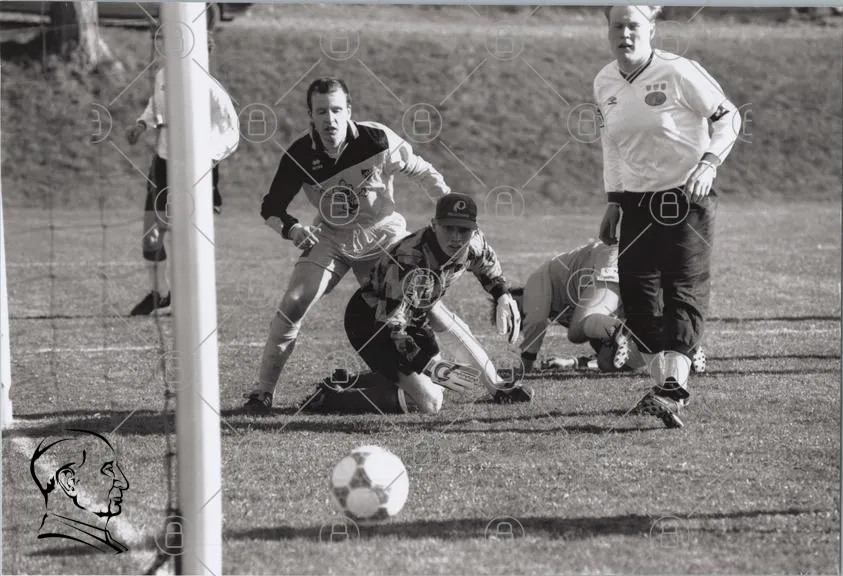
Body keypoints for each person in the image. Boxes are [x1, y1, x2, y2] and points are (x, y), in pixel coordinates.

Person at [242, 77, 463, 415]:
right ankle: (262, 393)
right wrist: (293, 229)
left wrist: (450, 215)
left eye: (336, 110)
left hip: (383, 234)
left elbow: (422, 171)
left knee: (424, 303)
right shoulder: (300, 154)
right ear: (310, 116)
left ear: (349, 111)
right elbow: (271, 206)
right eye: (321, 112)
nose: (329, 119)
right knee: (293, 302)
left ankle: (483, 380)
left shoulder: (377, 139)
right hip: (331, 237)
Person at [595, 6, 740, 428]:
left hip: (686, 198)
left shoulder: (678, 71)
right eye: (617, 26)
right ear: (608, 30)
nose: (625, 34)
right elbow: (611, 146)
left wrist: (709, 164)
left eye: (633, 26)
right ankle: (666, 388)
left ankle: (673, 388)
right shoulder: (604, 81)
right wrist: (614, 201)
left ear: (652, 30)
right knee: (637, 292)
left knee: (683, 288)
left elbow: (728, 117)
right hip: (637, 203)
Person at [303, 194, 524, 415]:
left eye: (463, 230)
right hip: (372, 325)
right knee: (431, 401)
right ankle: (330, 400)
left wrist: (502, 295)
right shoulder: (409, 261)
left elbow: (487, 263)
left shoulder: (474, 241)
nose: (456, 238)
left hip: (413, 316)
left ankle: (350, 380)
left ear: (474, 230)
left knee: (438, 382)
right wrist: (430, 367)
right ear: (434, 225)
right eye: (449, 228)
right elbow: (392, 328)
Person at [126, 33, 239, 316]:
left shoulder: (211, 90)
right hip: (163, 166)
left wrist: (208, 157)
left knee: (189, 239)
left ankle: (192, 301)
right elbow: (155, 106)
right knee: (151, 237)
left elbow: (232, 133)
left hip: (196, 171)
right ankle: (160, 294)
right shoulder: (163, 76)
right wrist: (142, 125)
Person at [508, 241, 706, 374]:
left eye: (513, 311)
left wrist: (525, 366)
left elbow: (535, 320)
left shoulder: (535, 282)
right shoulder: (560, 310)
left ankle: (626, 330)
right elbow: (604, 344)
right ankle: (681, 344)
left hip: (612, 257)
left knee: (576, 333)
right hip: (632, 262)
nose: (519, 318)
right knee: (608, 361)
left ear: (515, 295)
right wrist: (574, 362)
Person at [30, 430, 130, 554]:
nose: (124, 483)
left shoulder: (105, 545)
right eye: (108, 469)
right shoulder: (63, 551)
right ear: (69, 483)